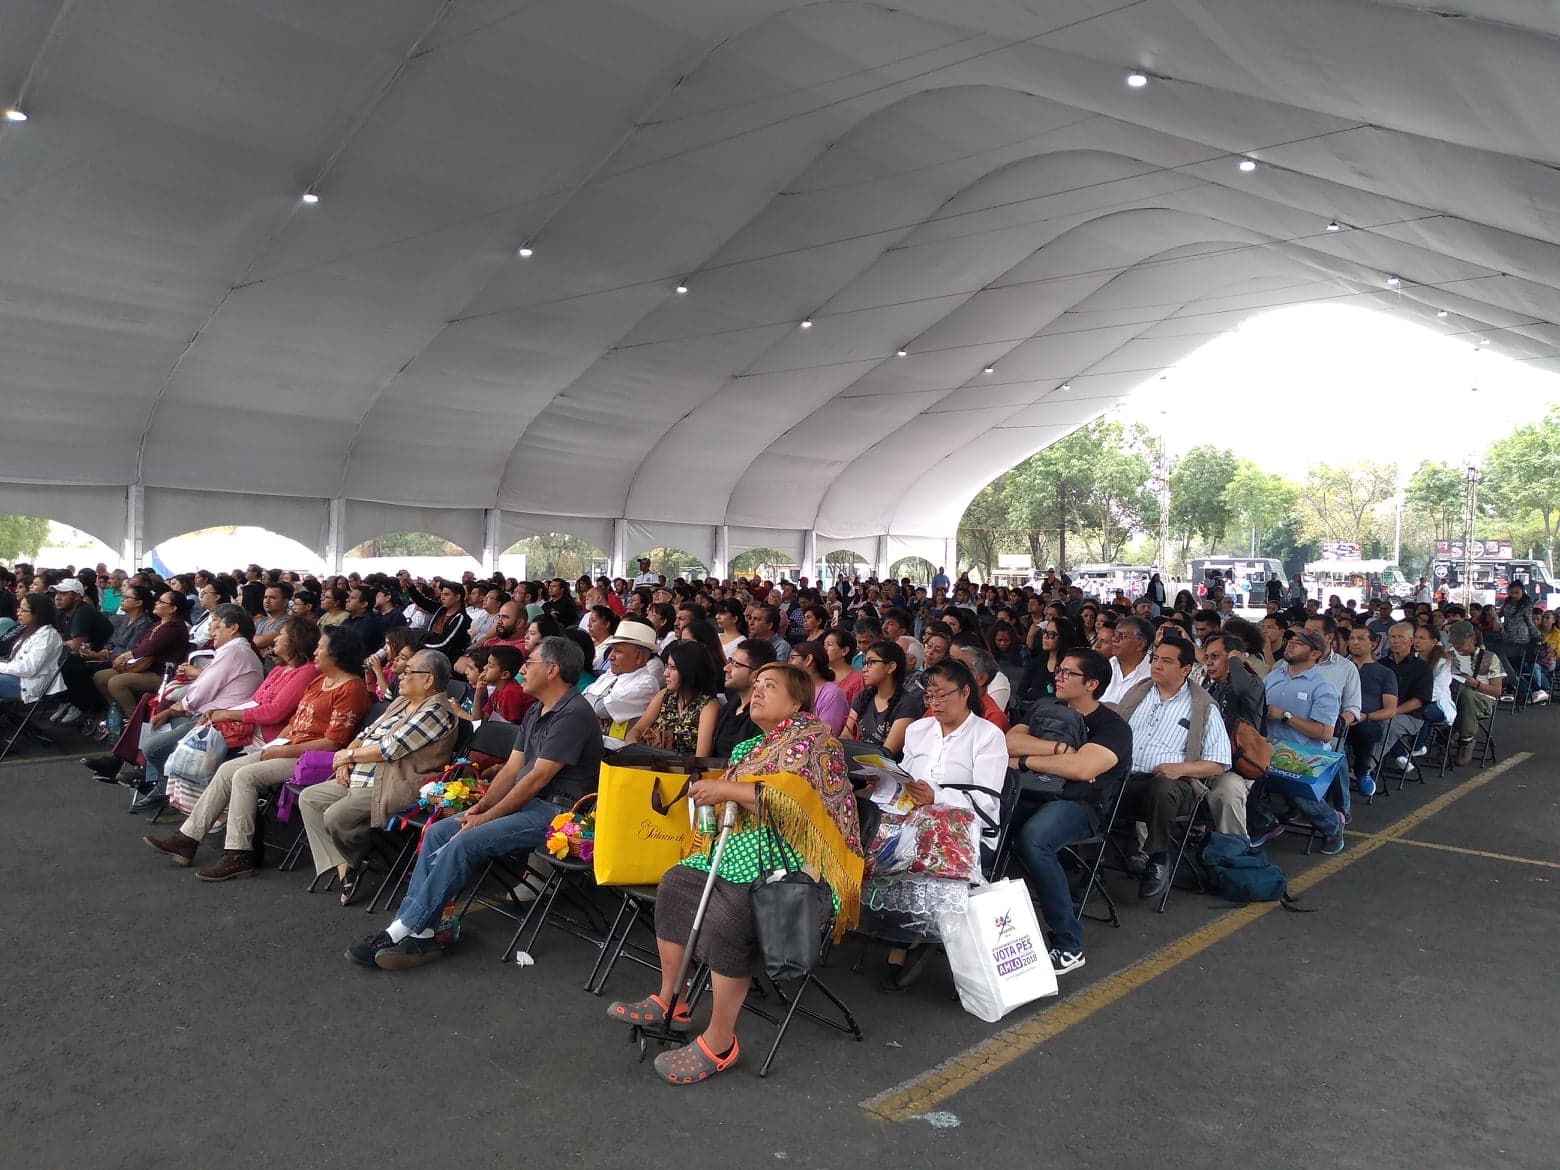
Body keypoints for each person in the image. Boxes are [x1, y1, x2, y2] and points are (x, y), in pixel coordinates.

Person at [607, 662, 862, 1084]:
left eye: (770, 686)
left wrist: (725, 790)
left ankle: (721, 1040)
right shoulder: (751, 749)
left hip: (795, 872)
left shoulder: (816, 741)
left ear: (797, 700)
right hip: (740, 858)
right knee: (676, 883)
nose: (757, 692)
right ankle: (672, 999)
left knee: (730, 913)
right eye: (756, 685)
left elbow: (792, 801)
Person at [346, 635, 602, 970]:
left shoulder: (574, 714)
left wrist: (488, 816)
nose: (524, 668)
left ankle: (401, 929)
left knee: (464, 841)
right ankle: (422, 933)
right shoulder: (538, 708)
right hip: (528, 802)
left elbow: (537, 777)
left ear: (552, 670)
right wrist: (478, 809)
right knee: (440, 831)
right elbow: (512, 769)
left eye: (530, 662)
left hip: (558, 813)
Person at [142, 625, 371, 881]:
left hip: (312, 758)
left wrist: (282, 751)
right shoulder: (320, 680)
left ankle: (238, 853)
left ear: (338, 653)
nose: (315, 651)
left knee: (245, 776)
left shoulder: (351, 688)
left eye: (321, 647)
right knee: (228, 769)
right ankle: (188, 838)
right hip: (289, 747)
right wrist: (275, 745)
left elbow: (331, 743)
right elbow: (295, 721)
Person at [1005, 647, 1133, 973]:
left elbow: (1081, 769)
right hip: (1029, 794)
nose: (1057, 677)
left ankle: (1068, 943)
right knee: (982, 824)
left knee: (1035, 840)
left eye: (1067, 673)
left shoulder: (1112, 727)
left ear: (1091, 684)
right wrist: (1058, 749)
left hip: (1080, 804)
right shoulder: (1044, 709)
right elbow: (1008, 741)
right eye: (1058, 670)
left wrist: (1022, 761)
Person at [298, 649, 460, 901]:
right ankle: (346, 869)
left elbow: (390, 749)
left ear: (428, 680)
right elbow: (365, 735)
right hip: (357, 776)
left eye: (408, 672)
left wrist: (347, 757)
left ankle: (359, 858)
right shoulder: (401, 703)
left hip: (392, 785)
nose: (400, 676)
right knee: (310, 799)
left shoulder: (436, 712)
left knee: (335, 816)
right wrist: (343, 761)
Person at [1114, 638, 1236, 897]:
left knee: (1163, 787)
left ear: (1185, 669)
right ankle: (1089, 865)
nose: (1157, 665)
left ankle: (1159, 857)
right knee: (1091, 782)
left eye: (1166, 661)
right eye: (1155, 659)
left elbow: (1219, 763)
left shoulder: (1201, 706)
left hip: (1175, 787)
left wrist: (1180, 769)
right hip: (1126, 778)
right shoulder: (1138, 693)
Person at [118, 605, 263, 808]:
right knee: (159, 718)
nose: (213, 630)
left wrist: (177, 707)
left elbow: (204, 687)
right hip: (210, 714)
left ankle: (169, 788)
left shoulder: (235, 651)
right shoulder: (235, 650)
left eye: (218, 626)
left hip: (219, 721)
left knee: (154, 747)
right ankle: (156, 781)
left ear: (233, 629)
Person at [1261, 627, 1345, 854]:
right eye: (1290, 641)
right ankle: (1266, 822)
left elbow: (1325, 733)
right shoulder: (1274, 675)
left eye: (1299, 643)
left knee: (1305, 801)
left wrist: (1286, 716)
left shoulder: (1322, 687)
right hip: (1267, 749)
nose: (1290, 644)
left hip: (1303, 756)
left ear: (1315, 653)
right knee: (1240, 782)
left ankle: (1333, 825)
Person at [91, 588, 191, 723]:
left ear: (173, 608)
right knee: (100, 677)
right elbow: (140, 642)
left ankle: (135, 721)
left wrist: (124, 656)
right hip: (144, 668)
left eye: (161, 601)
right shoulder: (158, 624)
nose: (156, 603)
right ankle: (118, 712)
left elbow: (149, 647)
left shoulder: (175, 627)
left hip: (161, 673)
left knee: (117, 683)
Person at [627, 641, 720, 756]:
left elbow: (701, 758)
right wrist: (634, 748)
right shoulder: (665, 695)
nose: (665, 673)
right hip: (650, 761)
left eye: (672, 668)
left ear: (689, 671)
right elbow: (636, 731)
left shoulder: (708, 706)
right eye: (667, 666)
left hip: (683, 770)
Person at [1343, 626, 1397, 802]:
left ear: (1373, 644)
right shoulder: (1341, 667)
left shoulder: (1385, 673)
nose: (1355, 642)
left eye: (1360, 639)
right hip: (1339, 718)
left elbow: (1390, 709)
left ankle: (1361, 772)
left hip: (1368, 721)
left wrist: (1367, 716)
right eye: (1351, 638)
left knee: (1363, 730)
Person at [843, 640, 922, 759]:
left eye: (872, 662)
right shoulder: (864, 696)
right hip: (856, 765)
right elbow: (846, 735)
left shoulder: (907, 705)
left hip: (886, 773)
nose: (864, 669)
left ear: (891, 667)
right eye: (865, 663)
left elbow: (886, 754)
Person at [583, 619, 663, 734]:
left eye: (618, 651)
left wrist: (589, 697)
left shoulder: (646, 684)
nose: (611, 657)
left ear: (638, 656)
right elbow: (579, 700)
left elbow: (601, 709)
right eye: (611, 650)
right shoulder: (610, 674)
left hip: (617, 749)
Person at [1445, 620, 1505, 765]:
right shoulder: (1447, 655)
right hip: (1452, 697)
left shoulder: (1489, 657)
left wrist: (1476, 684)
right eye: (1455, 642)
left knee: (1466, 693)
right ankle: (1452, 735)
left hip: (1482, 699)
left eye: (1460, 641)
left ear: (1472, 638)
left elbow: (1497, 691)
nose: (1457, 645)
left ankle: (1465, 739)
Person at [711, 638, 776, 757]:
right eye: (730, 661)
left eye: (736, 664)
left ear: (755, 675)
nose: (726, 668)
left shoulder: (762, 717)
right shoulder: (729, 706)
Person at [0, 593, 66, 708]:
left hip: (28, 684)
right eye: (19, 609)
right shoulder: (30, 629)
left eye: (23, 610)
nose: (18, 613)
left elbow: (29, 669)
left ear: (37, 613)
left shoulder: (47, 635)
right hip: (17, 678)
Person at [788, 639, 848, 735]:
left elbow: (825, 736)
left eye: (792, 658)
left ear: (809, 660)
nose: (788, 663)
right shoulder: (793, 690)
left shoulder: (832, 694)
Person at [406, 580, 472, 662]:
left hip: (443, 658)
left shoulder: (461, 618)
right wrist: (411, 588)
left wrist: (420, 646)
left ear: (457, 597)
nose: (442, 598)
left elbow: (445, 643)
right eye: (442, 594)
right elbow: (422, 601)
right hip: (428, 649)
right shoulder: (441, 608)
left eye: (446, 595)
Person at [1100, 616, 1151, 705]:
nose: (1114, 639)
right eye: (1114, 635)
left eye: (1122, 636)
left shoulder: (1152, 674)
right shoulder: (1108, 665)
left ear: (1140, 644)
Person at [823, 628, 864, 704]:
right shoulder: (820, 674)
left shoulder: (858, 680)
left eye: (829, 644)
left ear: (844, 651)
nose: (824, 649)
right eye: (824, 645)